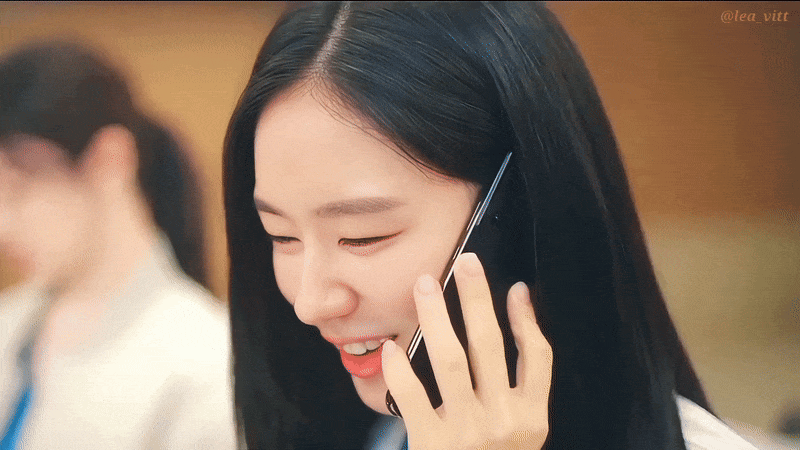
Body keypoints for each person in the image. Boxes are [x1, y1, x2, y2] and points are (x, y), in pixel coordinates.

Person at [222, 2, 761, 449]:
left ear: (515, 215)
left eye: (363, 237)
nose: (310, 304)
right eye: (281, 236)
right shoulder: (374, 432)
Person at [0, 41, 236, 449]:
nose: (4, 223)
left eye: (19, 189)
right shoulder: (12, 319)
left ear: (110, 159)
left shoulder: (204, 365)